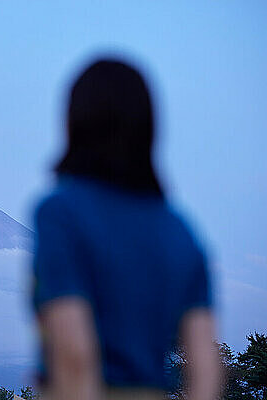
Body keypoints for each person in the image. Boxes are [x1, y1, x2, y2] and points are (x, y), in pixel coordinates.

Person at [32, 59, 221, 400]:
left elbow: (74, 356)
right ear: (148, 126)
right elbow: (206, 372)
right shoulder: (181, 231)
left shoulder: (62, 213)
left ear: (75, 121)